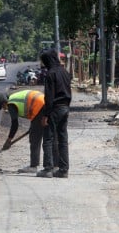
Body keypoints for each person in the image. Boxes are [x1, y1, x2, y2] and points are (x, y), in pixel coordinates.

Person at [36, 48, 72, 178]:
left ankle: (48, 169)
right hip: (65, 108)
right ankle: (63, 170)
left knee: (48, 138)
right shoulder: (64, 72)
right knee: (63, 139)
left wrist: (46, 115)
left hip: (54, 109)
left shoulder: (50, 74)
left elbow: (49, 97)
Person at [0, 90, 45, 173]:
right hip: (43, 102)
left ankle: (33, 166)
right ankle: (52, 166)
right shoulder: (14, 98)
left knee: (34, 138)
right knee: (47, 137)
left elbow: (15, 124)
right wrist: (32, 127)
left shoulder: (11, 104)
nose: (4, 109)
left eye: (2, 106)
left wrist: (9, 140)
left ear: (4, 102)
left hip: (38, 105)